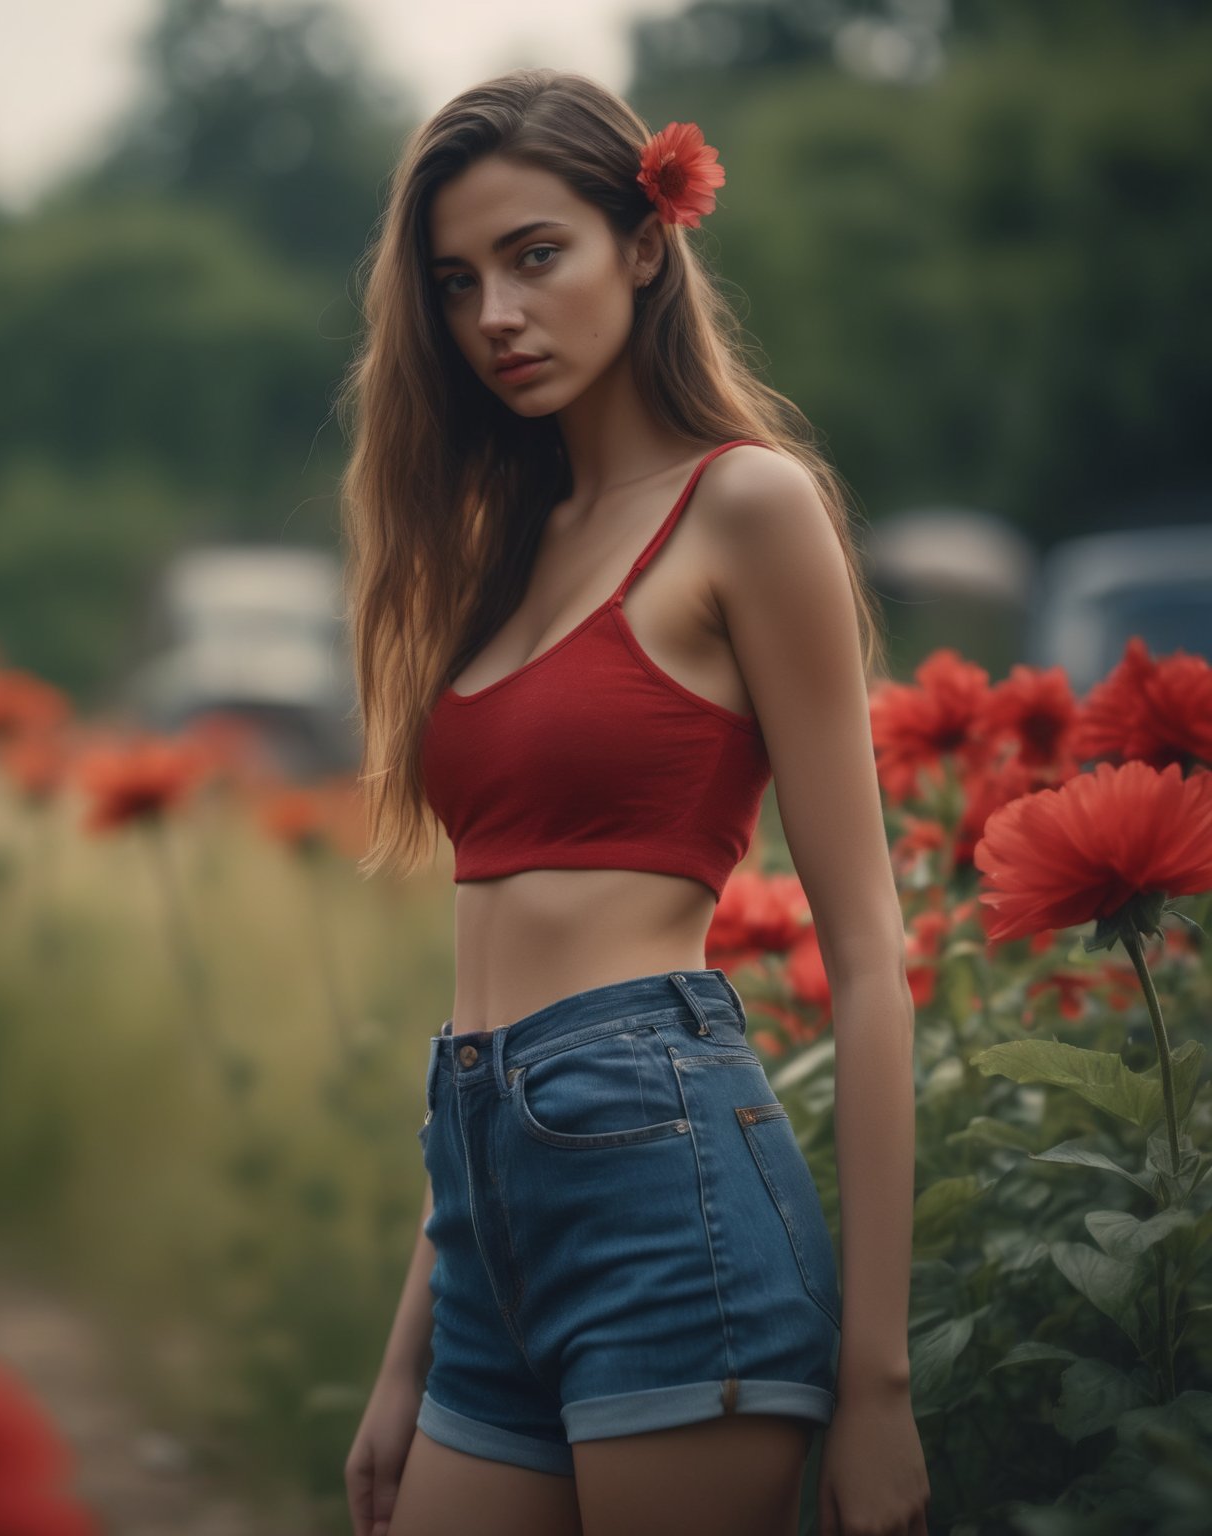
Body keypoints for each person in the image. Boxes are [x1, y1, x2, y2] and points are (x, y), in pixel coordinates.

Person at [337, 68, 929, 1536]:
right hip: (483, 1196)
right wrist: (407, 1354)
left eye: (539, 256)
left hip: (670, 1195)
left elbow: (868, 953)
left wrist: (878, 1391)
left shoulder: (750, 506)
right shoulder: (502, 544)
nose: (497, 319)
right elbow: (493, 1015)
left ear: (646, 243)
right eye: (460, 281)